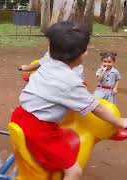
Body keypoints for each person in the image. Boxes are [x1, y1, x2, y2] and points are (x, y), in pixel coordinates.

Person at [12, 21, 127, 180]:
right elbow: (97, 108)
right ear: (82, 55)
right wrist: (120, 122)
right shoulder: (71, 82)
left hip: (20, 114)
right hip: (39, 128)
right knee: (74, 171)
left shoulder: (47, 62)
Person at [19, 51, 85, 81]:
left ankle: (30, 75)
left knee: (36, 64)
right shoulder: (76, 52)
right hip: (78, 81)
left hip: (58, 83)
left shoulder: (53, 53)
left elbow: (38, 64)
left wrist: (25, 68)